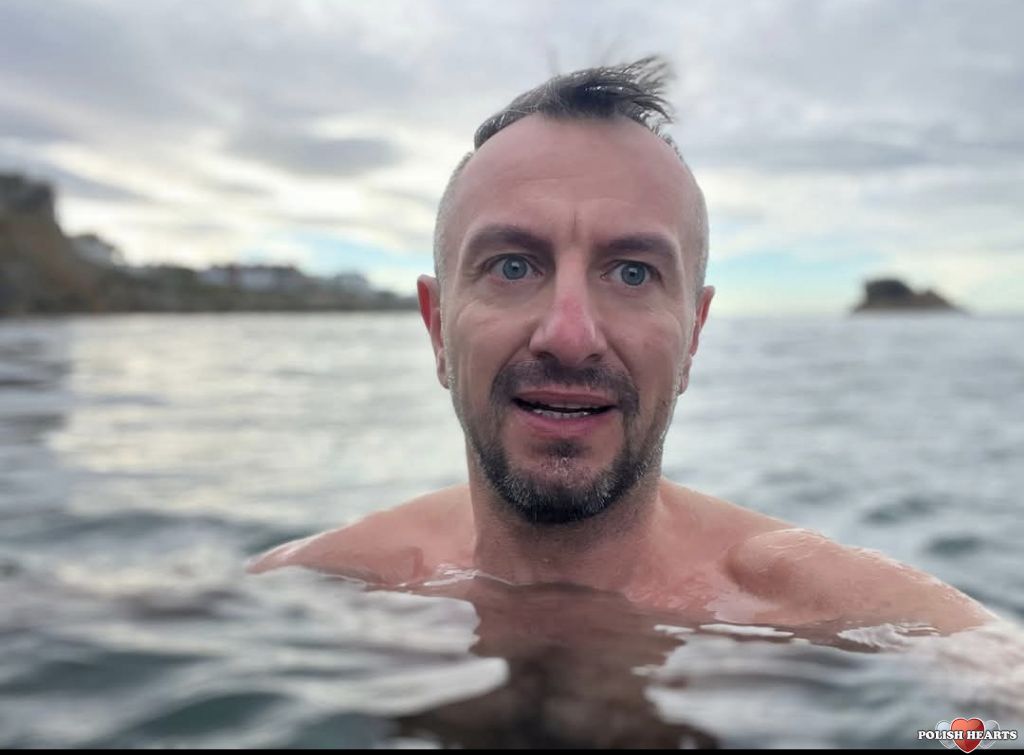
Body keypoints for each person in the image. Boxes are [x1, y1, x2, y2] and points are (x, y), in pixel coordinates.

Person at [248, 57, 995, 634]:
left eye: (633, 272)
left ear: (694, 335)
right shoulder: (312, 591)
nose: (569, 335)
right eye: (513, 267)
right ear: (438, 327)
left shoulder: (867, 622)